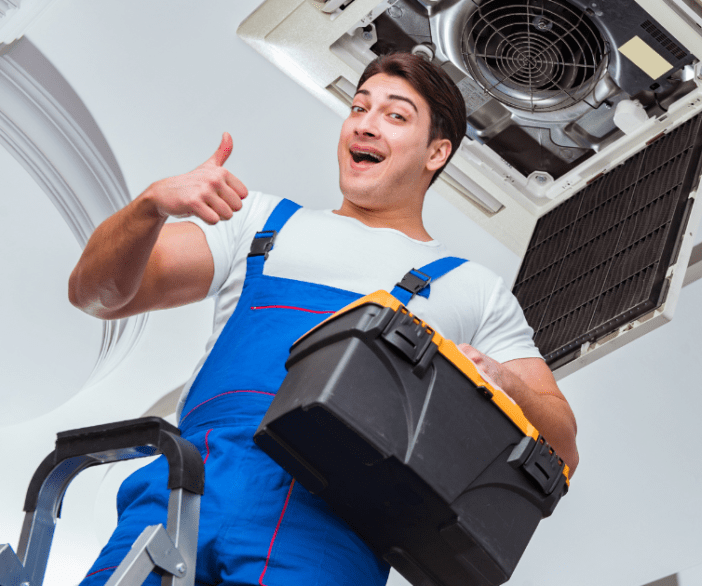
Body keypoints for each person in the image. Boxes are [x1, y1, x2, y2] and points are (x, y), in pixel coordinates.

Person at [68, 52, 578, 586]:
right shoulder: (256, 221)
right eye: (359, 107)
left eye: (395, 115)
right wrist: (148, 208)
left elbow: (562, 445)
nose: (365, 122)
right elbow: (95, 295)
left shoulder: (470, 288)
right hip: (188, 484)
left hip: (333, 521)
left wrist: (502, 381)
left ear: (437, 152)